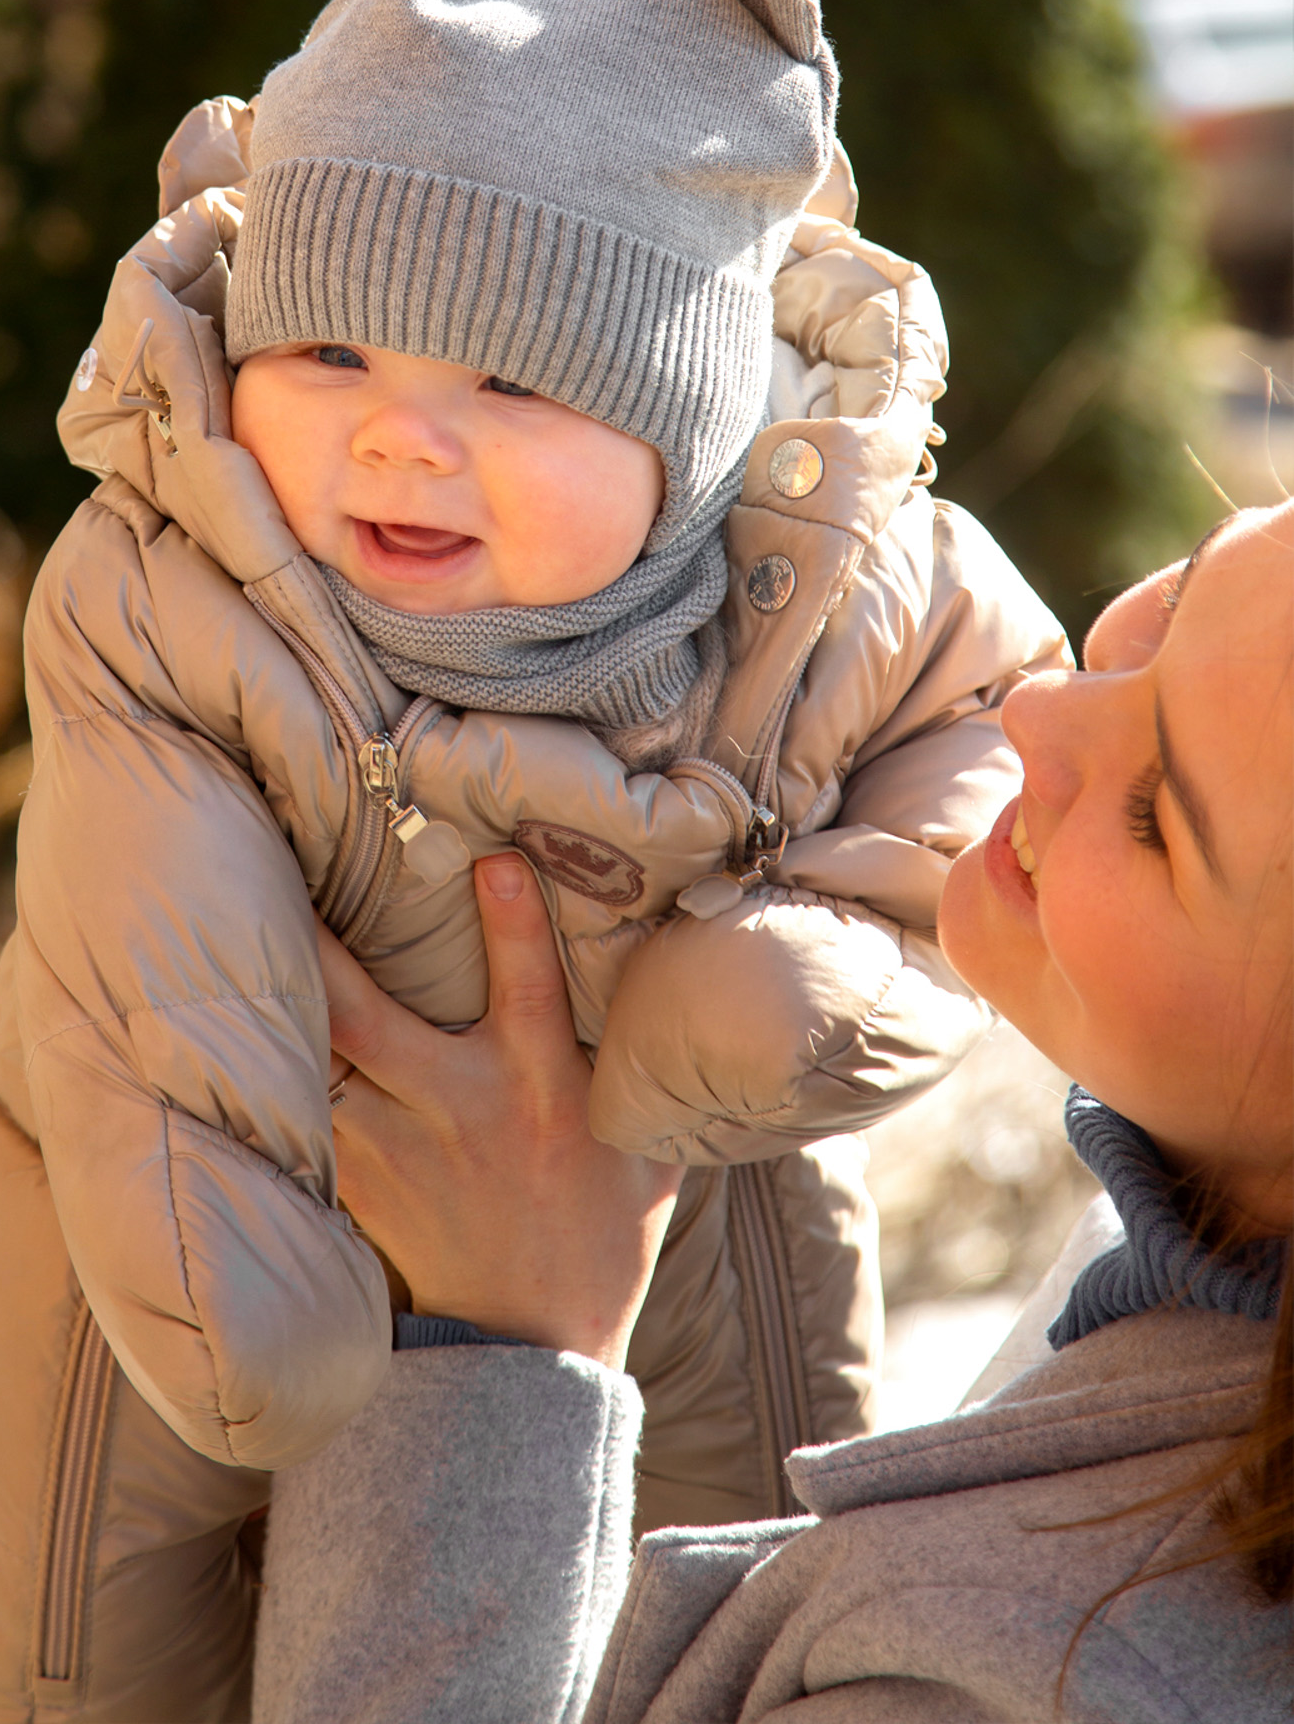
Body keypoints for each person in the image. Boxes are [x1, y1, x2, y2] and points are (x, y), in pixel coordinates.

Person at [0, 0, 1067, 1718]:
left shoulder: (839, 580)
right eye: (332, 346)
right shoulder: (169, 582)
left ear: (692, 421)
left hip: (686, 1254)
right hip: (175, 1262)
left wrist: (796, 976)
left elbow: (994, 752)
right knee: (102, 1653)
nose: (397, 440)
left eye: (514, 386)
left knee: (700, 1630)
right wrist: (240, 1298)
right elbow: (149, 947)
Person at [250, 503, 1294, 1723]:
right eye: (1181, 597)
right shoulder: (1192, 1227)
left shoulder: (1040, 1687)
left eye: (1157, 816)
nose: (1038, 711)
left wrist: (504, 1358)